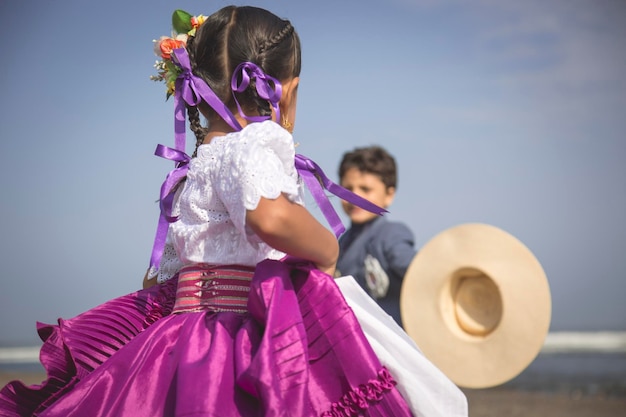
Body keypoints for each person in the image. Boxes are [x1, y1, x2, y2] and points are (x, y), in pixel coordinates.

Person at [0, 6, 466, 417]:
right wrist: (326, 249)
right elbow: (271, 218)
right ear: (287, 91)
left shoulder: (196, 165)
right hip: (241, 337)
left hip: (180, 337)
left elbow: (163, 274)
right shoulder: (256, 142)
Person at [336, 146, 416, 328]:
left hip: (393, 342)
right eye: (348, 188)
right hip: (357, 341)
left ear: (389, 194)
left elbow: (420, 273)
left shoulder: (391, 235)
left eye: (365, 189)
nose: (354, 196)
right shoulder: (342, 244)